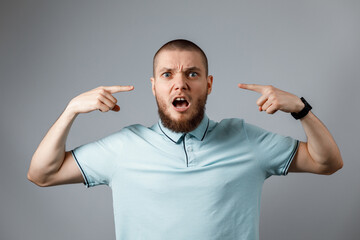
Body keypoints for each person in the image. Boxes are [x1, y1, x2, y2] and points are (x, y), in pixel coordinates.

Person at [27, 39, 343, 240]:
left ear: (208, 84)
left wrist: (301, 110)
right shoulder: (124, 148)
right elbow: (43, 173)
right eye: (168, 75)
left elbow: (326, 162)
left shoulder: (244, 138)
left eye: (191, 74)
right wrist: (71, 110)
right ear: (154, 86)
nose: (180, 84)